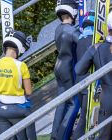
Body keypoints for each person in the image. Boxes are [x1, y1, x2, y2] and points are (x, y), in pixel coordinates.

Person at [0, 30, 36, 140]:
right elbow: (28, 92)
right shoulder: (21, 65)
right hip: (18, 109)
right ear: (19, 48)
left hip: (1, 109)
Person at [75, 11, 112, 140]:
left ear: (107, 28)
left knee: (104, 136)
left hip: (107, 100)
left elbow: (79, 70)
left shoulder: (96, 48)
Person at [51, 0, 80, 139]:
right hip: (68, 69)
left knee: (61, 102)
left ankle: (54, 135)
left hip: (58, 67)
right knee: (74, 103)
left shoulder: (58, 28)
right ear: (72, 11)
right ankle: (64, 135)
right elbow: (84, 42)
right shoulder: (71, 30)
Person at [73, 10, 95, 140]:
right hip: (88, 83)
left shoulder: (80, 39)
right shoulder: (93, 40)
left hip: (79, 82)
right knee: (85, 117)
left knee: (84, 115)